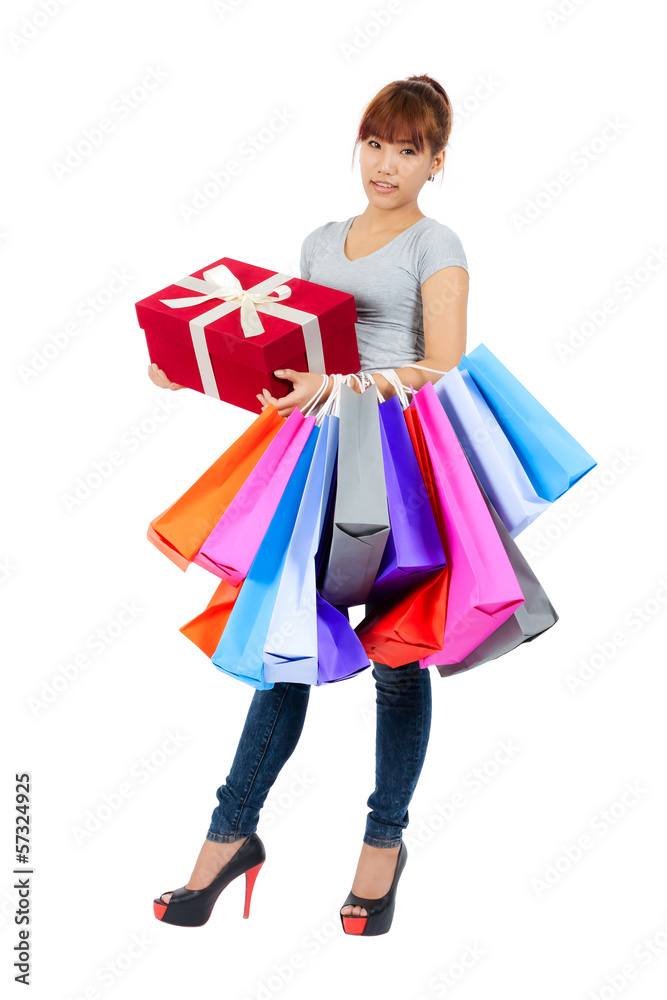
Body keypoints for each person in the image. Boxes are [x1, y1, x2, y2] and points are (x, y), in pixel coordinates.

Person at [148, 73, 469, 936]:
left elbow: (443, 367)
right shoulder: (320, 241)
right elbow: (286, 368)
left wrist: (343, 382)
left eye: (408, 149)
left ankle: (382, 844)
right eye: (375, 143)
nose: (386, 163)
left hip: (399, 461)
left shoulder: (435, 245)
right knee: (286, 643)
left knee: (397, 660)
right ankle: (229, 838)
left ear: (437, 162)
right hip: (315, 455)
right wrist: (193, 361)